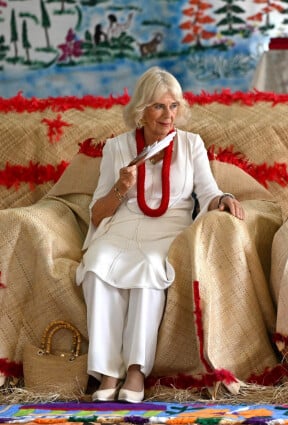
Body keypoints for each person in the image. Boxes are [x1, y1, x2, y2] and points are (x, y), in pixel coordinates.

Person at [76, 66, 245, 403]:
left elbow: (208, 191)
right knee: (96, 264)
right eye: (159, 107)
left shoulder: (191, 144)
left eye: (174, 106)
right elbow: (97, 213)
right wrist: (120, 189)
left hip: (169, 228)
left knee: (151, 267)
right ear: (141, 110)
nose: (168, 115)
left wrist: (223, 198)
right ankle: (109, 372)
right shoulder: (117, 148)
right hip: (122, 226)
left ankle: (136, 370)